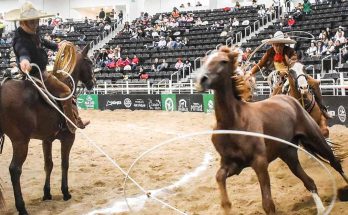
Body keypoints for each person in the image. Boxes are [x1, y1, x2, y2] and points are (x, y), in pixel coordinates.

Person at [7, 1, 89, 133]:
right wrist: (24, 60)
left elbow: (42, 41)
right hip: (38, 74)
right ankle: (72, 124)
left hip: (40, 70)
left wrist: (56, 46)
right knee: (67, 92)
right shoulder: (20, 39)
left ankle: (73, 119)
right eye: (31, 22)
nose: (35, 25)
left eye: (36, 21)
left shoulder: (33, 31)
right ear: (22, 23)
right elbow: (22, 50)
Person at [245, 31, 329, 116]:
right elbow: (260, 64)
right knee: (274, 94)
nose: (278, 48)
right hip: (280, 78)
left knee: (314, 83)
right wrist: (250, 72)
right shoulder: (269, 52)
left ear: (284, 44)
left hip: (294, 74)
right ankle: (271, 115)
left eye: (280, 45)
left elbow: (294, 63)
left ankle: (323, 109)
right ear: (272, 45)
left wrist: (286, 71)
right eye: (276, 45)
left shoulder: (290, 51)